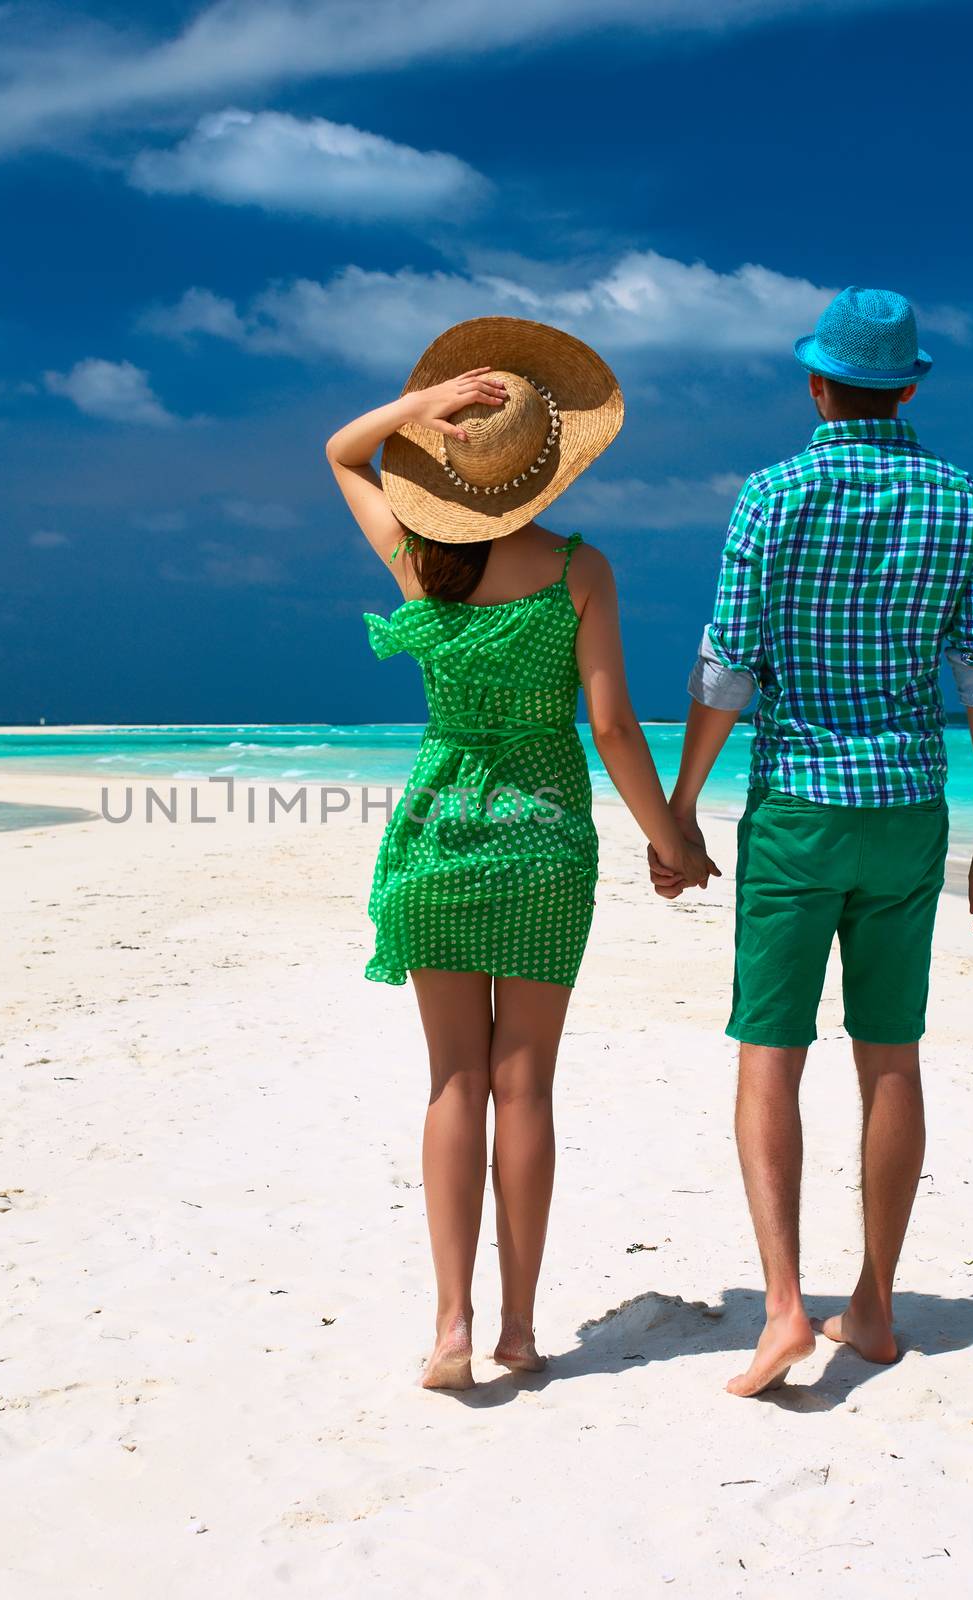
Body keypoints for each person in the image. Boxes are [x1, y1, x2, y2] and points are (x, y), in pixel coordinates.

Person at [327, 316, 717, 1390]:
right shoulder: (577, 568)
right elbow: (614, 729)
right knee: (524, 1086)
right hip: (542, 836)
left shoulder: (418, 557)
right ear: (544, 468)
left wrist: (419, 408)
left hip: (439, 831)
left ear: (449, 463)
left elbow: (340, 452)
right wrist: (670, 838)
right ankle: (517, 1329)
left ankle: (448, 1326)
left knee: (452, 1082)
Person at [651, 287, 973, 1395]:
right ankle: (870, 1302)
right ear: (908, 386)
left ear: (818, 385)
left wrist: (679, 804)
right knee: (890, 1053)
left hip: (800, 809)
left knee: (773, 1050)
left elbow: (729, 663)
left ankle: (779, 1309)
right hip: (907, 806)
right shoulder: (967, 502)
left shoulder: (771, 495)